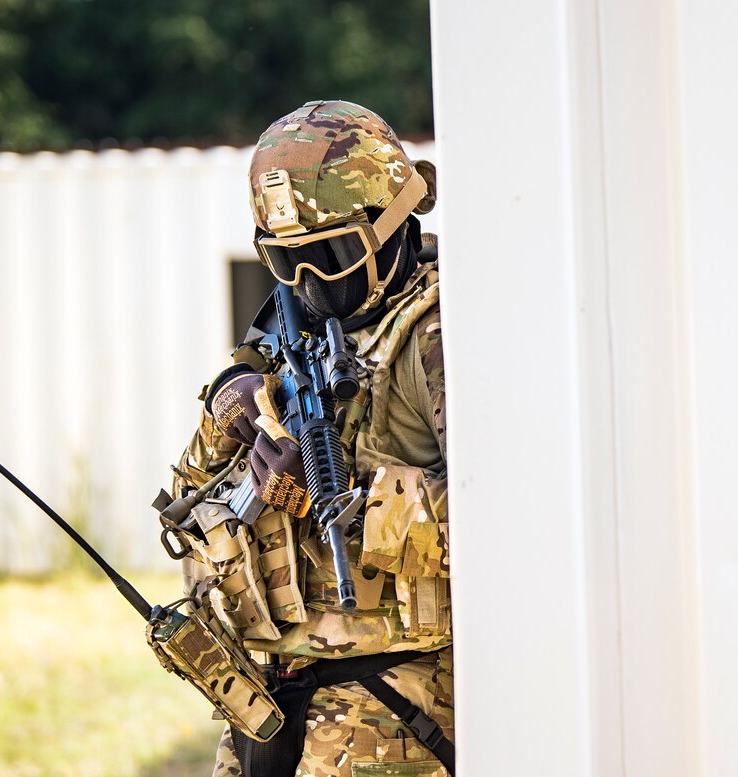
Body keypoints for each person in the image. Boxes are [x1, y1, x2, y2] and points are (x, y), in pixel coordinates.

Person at [165, 100, 452, 777]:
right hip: (267, 704)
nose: (310, 284)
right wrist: (223, 413)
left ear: (394, 222)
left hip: (392, 715)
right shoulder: (280, 340)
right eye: (288, 262)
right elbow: (184, 511)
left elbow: (516, 527)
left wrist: (346, 498)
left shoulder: (435, 336)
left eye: (333, 255)